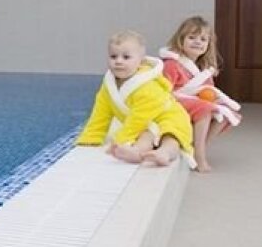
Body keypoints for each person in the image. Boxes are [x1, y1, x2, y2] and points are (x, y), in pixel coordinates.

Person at [76, 30, 195, 168]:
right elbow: (101, 113)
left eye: (126, 57)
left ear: (140, 61)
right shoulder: (109, 85)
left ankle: (164, 153)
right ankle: (137, 152)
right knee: (146, 134)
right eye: (113, 56)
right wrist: (90, 137)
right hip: (147, 123)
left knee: (170, 136)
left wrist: (121, 139)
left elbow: (138, 118)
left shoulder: (147, 85)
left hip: (169, 117)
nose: (118, 61)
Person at [160, 16, 241, 173]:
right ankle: (199, 156)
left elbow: (207, 90)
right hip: (174, 101)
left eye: (203, 39)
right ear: (180, 40)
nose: (198, 42)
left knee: (226, 112)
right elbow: (163, 92)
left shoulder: (203, 68)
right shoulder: (171, 64)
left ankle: (198, 147)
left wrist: (216, 99)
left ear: (208, 45)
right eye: (192, 37)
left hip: (195, 102)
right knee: (205, 108)